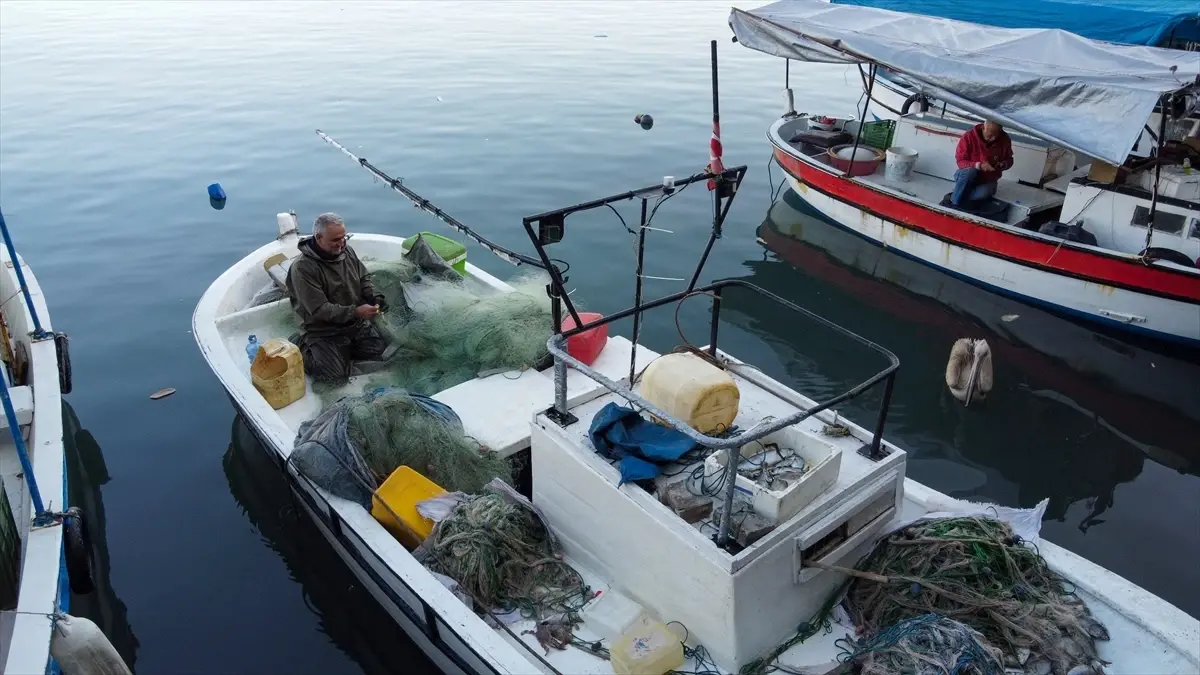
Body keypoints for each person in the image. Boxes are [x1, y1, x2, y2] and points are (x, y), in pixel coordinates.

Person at [286, 213, 390, 386]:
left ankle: (340, 351)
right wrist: (356, 312)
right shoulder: (303, 268)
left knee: (377, 351)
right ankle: (302, 346)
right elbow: (320, 310)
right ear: (319, 237)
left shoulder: (346, 250)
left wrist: (373, 296)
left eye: (344, 237)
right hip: (323, 330)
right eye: (336, 239)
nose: (341, 243)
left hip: (353, 324)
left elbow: (364, 278)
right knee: (333, 377)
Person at [951, 121, 1013, 208]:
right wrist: (979, 166)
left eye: (996, 135)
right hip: (966, 177)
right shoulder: (969, 136)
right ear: (983, 128)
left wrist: (1003, 164)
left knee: (987, 191)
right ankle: (954, 203)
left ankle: (961, 193)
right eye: (990, 135)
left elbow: (1009, 159)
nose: (993, 138)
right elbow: (960, 161)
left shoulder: (1005, 139)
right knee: (970, 172)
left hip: (987, 180)